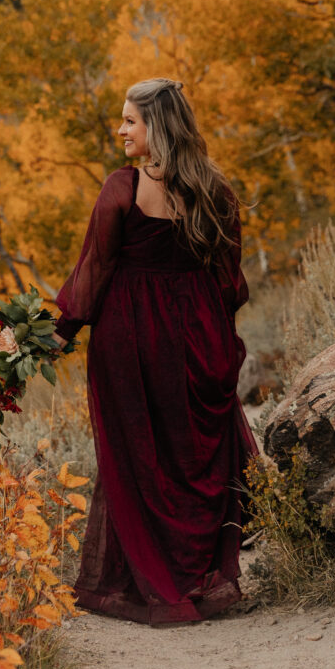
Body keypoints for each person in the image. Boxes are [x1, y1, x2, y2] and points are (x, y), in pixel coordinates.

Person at [52, 78, 258, 626]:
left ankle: (152, 583)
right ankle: (196, 577)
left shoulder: (121, 189)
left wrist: (56, 334)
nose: (120, 130)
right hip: (196, 334)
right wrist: (216, 336)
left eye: (130, 121)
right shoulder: (217, 191)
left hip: (131, 337)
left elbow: (91, 275)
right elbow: (229, 282)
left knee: (141, 456)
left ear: (157, 128)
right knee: (190, 454)